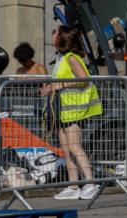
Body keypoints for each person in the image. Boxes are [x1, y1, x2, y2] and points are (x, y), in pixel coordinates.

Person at [43, 25, 101, 201]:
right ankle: (73, 185)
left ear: (63, 39)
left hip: (74, 109)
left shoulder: (71, 58)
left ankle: (90, 183)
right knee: (67, 149)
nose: (52, 35)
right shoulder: (61, 58)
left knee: (75, 146)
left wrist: (61, 85)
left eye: (55, 32)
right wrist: (50, 88)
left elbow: (83, 79)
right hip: (64, 110)